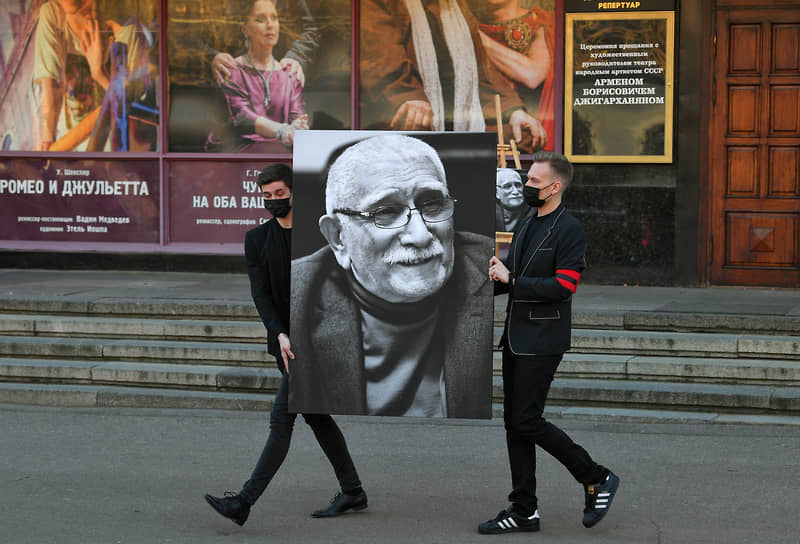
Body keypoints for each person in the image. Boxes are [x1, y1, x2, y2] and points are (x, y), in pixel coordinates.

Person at [204, 164, 367, 526]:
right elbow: (260, 295)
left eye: (279, 193)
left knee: (282, 420)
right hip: (286, 344)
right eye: (267, 196)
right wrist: (278, 332)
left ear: (293, 192)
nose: (273, 201)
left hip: (320, 342)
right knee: (317, 417)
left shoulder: (318, 233)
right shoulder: (256, 240)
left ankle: (244, 502)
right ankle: (353, 490)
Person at [289, 134, 494, 418]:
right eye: (385, 212)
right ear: (338, 238)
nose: (421, 236)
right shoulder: (297, 297)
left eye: (433, 204)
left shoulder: (492, 270)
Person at [481, 151, 619, 534]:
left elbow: (564, 286)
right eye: (528, 181)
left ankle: (595, 476)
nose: (527, 187)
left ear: (556, 187)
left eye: (534, 183)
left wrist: (511, 281)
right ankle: (524, 509)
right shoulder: (527, 221)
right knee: (515, 423)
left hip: (543, 339)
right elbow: (513, 276)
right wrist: (489, 283)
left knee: (526, 419)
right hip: (515, 336)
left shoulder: (569, 228)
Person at [359, 0, 547, 152]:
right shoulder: (380, 3)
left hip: (459, 116)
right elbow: (380, 61)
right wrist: (410, 98)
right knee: (414, 126)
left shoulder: (457, 6)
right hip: (403, 107)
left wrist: (513, 110)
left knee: (523, 135)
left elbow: (483, 71)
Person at [33, 0, 155, 151]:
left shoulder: (125, 24)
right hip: (81, 139)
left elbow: (136, 108)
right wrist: (47, 142)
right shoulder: (52, 13)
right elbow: (51, 84)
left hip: (119, 145)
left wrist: (99, 73)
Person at [206, 0, 309, 152]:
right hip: (237, 157)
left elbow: (298, 117)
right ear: (245, 29)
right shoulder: (232, 70)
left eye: (274, 18)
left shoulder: (289, 74)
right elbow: (242, 117)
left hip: (278, 158)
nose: (270, 25)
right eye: (260, 19)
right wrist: (282, 130)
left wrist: (300, 126)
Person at [472, 0, 555, 150]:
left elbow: (532, 76)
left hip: (529, 135)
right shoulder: (464, 21)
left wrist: (473, 36)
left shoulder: (541, 21)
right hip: (486, 133)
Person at [495, 168, 531, 232]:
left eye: (518, 185)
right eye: (507, 186)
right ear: (496, 193)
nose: (515, 191)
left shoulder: (534, 211)